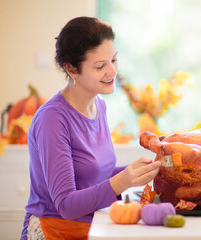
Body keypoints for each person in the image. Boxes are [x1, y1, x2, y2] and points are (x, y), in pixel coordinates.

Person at [21, 16, 161, 240]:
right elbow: (66, 204)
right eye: (100, 66)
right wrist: (123, 180)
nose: (112, 71)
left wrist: (137, 173)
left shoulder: (99, 106)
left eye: (114, 60)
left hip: (92, 225)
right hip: (55, 229)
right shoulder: (52, 120)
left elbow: (94, 177)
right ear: (72, 69)